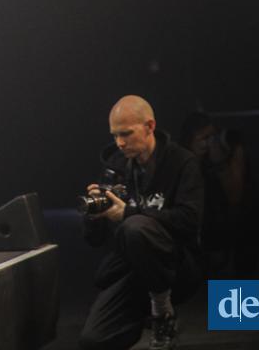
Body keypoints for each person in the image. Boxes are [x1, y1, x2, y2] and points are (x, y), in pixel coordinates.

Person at [79, 96, 204, 350]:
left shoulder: (182, 162)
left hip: (175, 264)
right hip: (134, 267)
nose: (119, 142)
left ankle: (162, 312)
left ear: (149, 126)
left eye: (126, 133)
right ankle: (147, 312)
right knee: (93, 341)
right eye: (115, 135)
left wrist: (128, 213)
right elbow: (94, 240)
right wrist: (94, 215)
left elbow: (190, 222)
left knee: (135, 226)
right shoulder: (115, 166)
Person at [178, 111, 259, 275]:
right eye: (204, 138)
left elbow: (235, 197)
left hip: (236, 226)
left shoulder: (228, 149)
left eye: (213, 137)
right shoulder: (181, 160)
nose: (210, 143)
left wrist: (219, 161)